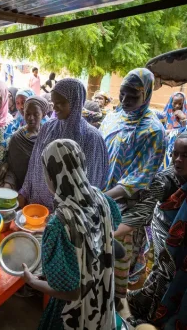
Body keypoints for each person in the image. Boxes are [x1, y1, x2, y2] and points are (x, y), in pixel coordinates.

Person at [22, 139, 119, 330]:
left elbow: (71, 292)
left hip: (77, 315)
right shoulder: (101, 197)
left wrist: (32, 282)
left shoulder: (60, 223)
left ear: (51, 175)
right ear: (81, 165)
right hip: (102, 298)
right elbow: (101, 238)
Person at [100, 68, 165, 303]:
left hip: (124, 212)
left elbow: (140, 178)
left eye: (133, 97)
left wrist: (104, 196)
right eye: (122, 94)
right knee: (94, 261)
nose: (125, 101)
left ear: (146, 95)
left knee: (115, 264)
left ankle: (113, 309)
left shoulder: (154, 131)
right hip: (100, 199)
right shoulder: (113, 117)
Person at [19, 78, 109, 211]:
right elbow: (34, 162)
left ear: (75, 102)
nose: (54, 107)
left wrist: (76, 214)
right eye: (53, 102)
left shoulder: (91, 137)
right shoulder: (48, 127)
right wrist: (25, 191)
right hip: (38, 206)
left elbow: (92, 181)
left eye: (60, 103)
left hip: (70, 215)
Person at [127, 132, 187, 327]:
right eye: (174, 154)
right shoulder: (167, 178)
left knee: (167, 281)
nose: (178, 159)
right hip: (157, 236)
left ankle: (153, 316)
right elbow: (147, 206)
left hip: (177, 251)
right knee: (156, 272)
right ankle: (147, 312)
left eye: (185, 155)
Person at [4, 96, 49, 191]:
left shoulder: (48, 136)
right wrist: (7, 187)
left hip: (43, 190)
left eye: (36, 114)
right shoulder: (17, 138)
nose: (31, 118)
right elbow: (12, 170)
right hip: (22, 190)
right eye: (27, 113)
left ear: (43, 114)